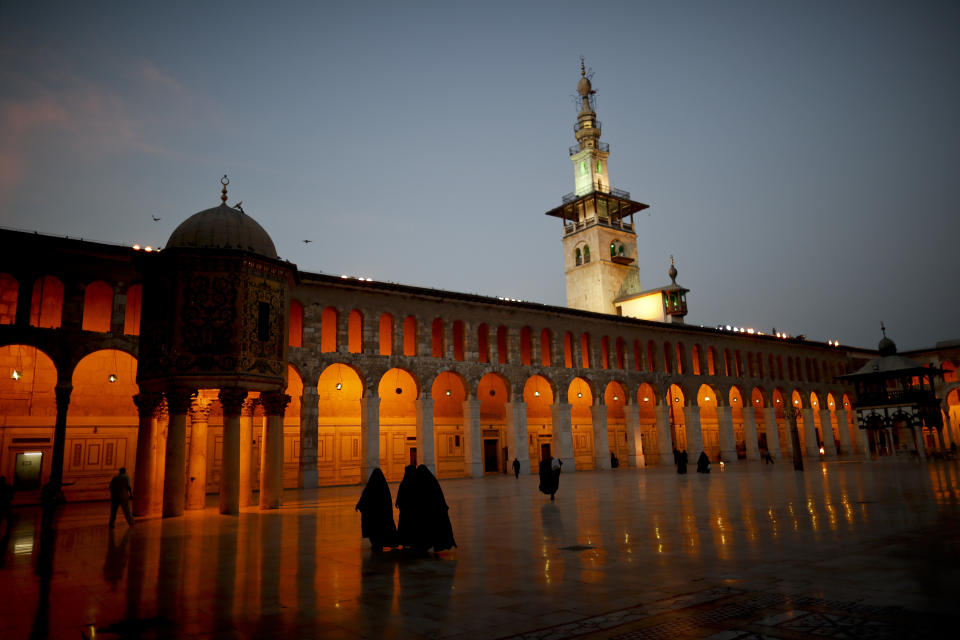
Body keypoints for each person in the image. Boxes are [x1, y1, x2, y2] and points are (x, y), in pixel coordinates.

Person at [355, 467, 398, 552]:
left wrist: (359, 505)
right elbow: (388, 502)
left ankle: (375, 543)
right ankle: (381, 542)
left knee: (373, 530)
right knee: (381, 529)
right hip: (381, 515)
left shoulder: (370, 487)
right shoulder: (384, 487)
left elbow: (364, 497)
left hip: (372, 516)